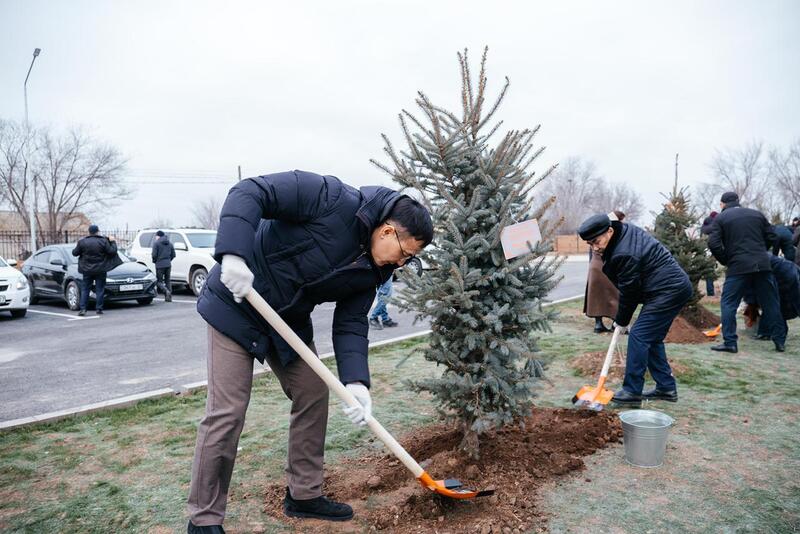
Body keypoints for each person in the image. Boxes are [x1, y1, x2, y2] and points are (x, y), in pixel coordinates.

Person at [188, 171, 433, 532]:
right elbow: (250, 192)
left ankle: (303, 494)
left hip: (285, 319)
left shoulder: (374, 270)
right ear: (386, 232)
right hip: (236, 303)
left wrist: (356, 383)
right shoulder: (329, 198)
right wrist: (234, 256)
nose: (401, 264)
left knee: (314, 390)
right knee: (228, 410)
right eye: (404, 254)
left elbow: (351, 324)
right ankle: (204, 519)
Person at [578, 213, 692, 406]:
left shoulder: (624, 252)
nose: (595, 248)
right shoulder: (621, 233)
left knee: (639, 335)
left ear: (610, 231)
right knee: (651, 338)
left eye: (596, 242)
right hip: (665, 288)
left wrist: (621, 320)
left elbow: (629, 292)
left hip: (668, 290)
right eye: (590, 244)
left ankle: (632, 390)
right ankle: (666, 388)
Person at [707, 192, 783, 352]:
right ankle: (779, 340)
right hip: (762, 265)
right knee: (771, 303)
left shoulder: (721, 218)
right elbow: (773, 236)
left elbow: (713, 243)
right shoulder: (757, 214)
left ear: (722, 204)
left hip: (738, 266)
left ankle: (730, 342)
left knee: (728, 303)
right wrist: (761, 250)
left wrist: (726, 260)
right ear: (737, 201)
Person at [744, 255, 800, 351]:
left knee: (772, 306)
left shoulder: (745, 263)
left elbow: (750, 290)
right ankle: (768, 334)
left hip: (783, 275)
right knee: (777, 305)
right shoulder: (755, 253)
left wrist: (751, 304)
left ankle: (770, 335)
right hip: (791, 271)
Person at [583, 210, 624, 333]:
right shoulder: (610, 233)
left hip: (594, 266)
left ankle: (598, 324)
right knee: (615, 294)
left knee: (596, 295)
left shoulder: (598, 231)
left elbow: (591, 251)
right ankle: (615, 323)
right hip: (605, 266)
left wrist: (591, 266)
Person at [71, 224, 122, 316]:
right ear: (97, 231)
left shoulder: (82, 242)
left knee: (85, 289)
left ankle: (83, 309)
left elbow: (74, 253)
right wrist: (113, 241)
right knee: (100, 289)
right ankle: (99, 309)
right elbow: (112, 252)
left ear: (89, 232)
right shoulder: (103, 241)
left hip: (86, 270)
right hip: (100, 269)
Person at [151, 230, 176, 302]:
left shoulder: (156, 243)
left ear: (158, 236)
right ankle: (168, 297)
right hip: (168, 264)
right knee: (168, 280)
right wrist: (168, 260)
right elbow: (173, 255)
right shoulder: (170, 243)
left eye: (156, 236)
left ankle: (166, 291)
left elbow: (154, 255)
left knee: (159, 281)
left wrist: (155, 261)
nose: (155, 238)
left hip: (159, 265)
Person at [700, 211, 719, 296]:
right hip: (711, 252)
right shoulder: (715, 226)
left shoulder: (704, 227)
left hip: (702, 251)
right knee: (710, 273)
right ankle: (710, 293)